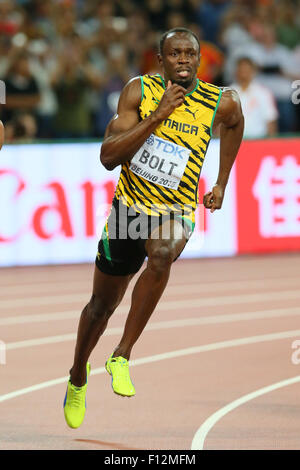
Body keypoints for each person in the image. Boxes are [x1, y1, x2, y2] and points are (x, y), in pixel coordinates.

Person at [63, 27, 244, 429]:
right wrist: (159, 115)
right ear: (160, 61)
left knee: (162, 255)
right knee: (100, 308)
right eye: (174, 54)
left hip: (175, 209)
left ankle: (122, 355)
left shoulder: (221, 101)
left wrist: (220, 182)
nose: (183, 60)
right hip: (129, 211)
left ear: (199, 60)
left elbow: (235, 124)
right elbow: (108, 157)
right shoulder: (137, 92)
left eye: (190, 54)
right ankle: (77, 375)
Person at [231, 56, 278, 138]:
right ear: (236, 72)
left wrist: (271, 144)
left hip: (258, 142)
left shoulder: (264, 93)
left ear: (253, 72)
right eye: (241, 70)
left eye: (247, 70)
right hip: (233, 142)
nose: (244, 73)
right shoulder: (227, 93)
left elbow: (271, 120)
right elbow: (220, 123)